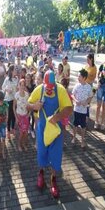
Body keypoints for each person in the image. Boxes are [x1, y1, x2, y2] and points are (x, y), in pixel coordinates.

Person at [27, 70, 72, 198]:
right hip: (42, 128)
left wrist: (57, 117)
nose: (49, 90)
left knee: (55, 154)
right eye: (48, 87)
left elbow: (69, 108)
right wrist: (34, 106)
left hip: (56, 130)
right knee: (41, 152)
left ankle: (53, 179)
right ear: (44, 83)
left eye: (52, 87)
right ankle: (41, 173)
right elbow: (27, 105)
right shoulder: (39, 89)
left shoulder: (61, 90)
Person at [71, 69, 92, 148]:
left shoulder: (88, 87)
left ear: (84, 77)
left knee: (83, 126)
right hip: (76, 109)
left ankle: (82, 140)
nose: (78, 77)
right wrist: (76, 100)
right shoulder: (77, 85)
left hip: (83, 110)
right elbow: (72, 95)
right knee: (75, 124)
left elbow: (90, 97)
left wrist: (86, 102)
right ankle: (74, 137)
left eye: (79, 76)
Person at [2, 65, 19, 139]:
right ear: (11, 71)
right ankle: (8, 130)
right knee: (9, 115)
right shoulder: (7, 79)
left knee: (13, 115)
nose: (16, 71)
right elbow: (3, 87)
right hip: (8, 99)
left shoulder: (16, 79)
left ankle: (13, 129)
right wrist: (7, 90)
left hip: (15, 99)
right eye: (15, 69)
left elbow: (18, 88)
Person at [14, 79, 29, 151]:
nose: (22, 87)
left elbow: (29, 105)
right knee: (20, 133)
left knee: (25, 133)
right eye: (21, 85)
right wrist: (16, 117)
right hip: (19, 116)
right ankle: (19, 145)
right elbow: (14, 107)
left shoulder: (27, 95)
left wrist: (29, 114)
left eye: (23, 85)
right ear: (19, 86)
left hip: (25, 116)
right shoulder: (16, 95)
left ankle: (23, 144)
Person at [25, 73, 36, 138]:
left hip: (33, 103)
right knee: (28, 116)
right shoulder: (24, 86)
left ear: (31, 78)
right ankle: (29, 127)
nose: (27, 79)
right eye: (26, 78)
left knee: (33, 116)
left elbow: (33, 95)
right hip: (27, 103)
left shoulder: (33, 85)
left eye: (28, 78)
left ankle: (32, 129)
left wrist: (30, 94)